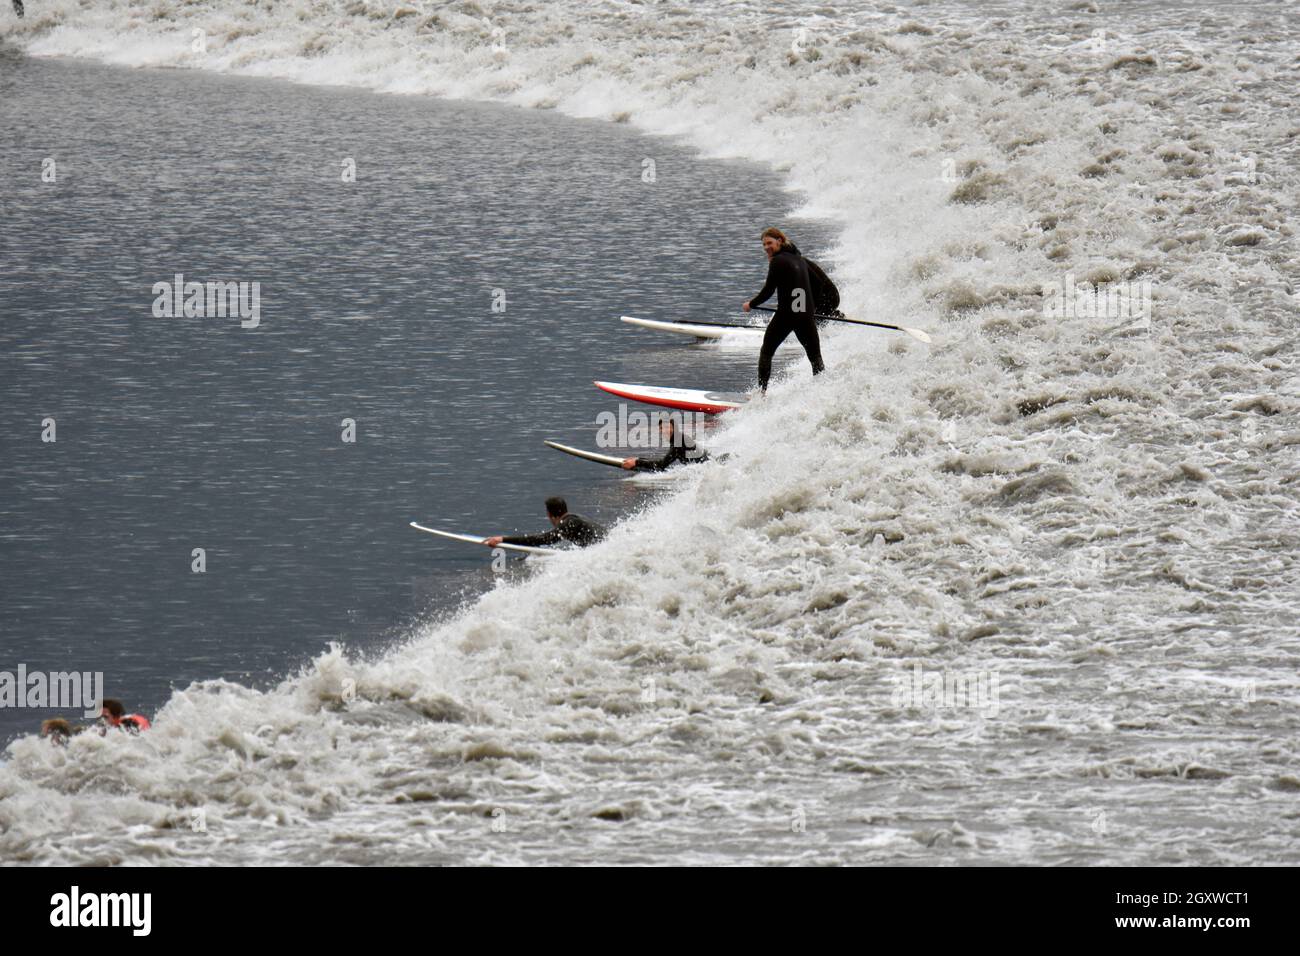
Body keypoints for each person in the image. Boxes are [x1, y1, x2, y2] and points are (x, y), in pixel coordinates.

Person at [743, 226, 825, 393]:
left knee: (766, 351)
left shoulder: (777, 261)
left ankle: (761, 394)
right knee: (815, 358)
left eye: (769, 243)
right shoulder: (800, 260)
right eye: (764, 245)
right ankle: (822, 391)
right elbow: (818, 285)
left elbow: (768, 290)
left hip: (787, 316)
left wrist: (751, 304)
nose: (766, 247)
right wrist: (810, 307)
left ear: (779, 241)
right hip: (805, 316)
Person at [485, 497, 606, 549]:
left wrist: (503, 539)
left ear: (549, 514)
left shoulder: (569, 524)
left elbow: (543, 539)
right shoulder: (575, 518)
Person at [621, 415, 708, 472]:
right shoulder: (679, 438)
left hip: (707, 468)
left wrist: (637, 462)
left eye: (667, 427)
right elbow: (665, 460)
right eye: (662, 428)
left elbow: (662, 465)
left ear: (674, 428)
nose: (665, 431)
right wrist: (639, 458)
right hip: (706, 466)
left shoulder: (678, 442)